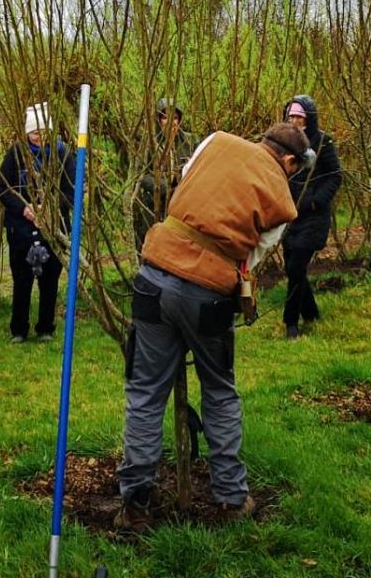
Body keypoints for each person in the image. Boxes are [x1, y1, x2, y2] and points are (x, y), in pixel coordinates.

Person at [116, 123, 311, 530]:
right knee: (219, 393)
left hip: (153, 274)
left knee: (146, 393)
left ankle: (135, 505)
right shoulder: (283, 202)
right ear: (290, 161)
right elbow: (253, 257)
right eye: (295, 168)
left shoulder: (216, 141)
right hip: (208, 295)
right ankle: (232, 499)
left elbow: (184, 184)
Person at [0, 101, 75, 344]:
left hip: (54, 226)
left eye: (43, 133)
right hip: (21, 227)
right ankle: (18, 329)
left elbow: (71, 189)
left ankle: (46, 327)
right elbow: (2, 188)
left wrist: (50, 208)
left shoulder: (62, 154)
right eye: (35, 133)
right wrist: (24, 208)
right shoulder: (15, 154)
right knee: (22, 279)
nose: (39, 137)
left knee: (50, 279)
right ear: (27, 132)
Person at [281, 96, 343, 339]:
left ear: (309, 118)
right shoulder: (285, 142)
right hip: (290, 215)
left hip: (314, 217)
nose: (295, 121)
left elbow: (335, 175)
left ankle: (291, 323)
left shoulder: (322, 142)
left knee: (296, 266)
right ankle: (311, 313)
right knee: (291, 267)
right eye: (291, 116)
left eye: (300, 116)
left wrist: (316, 200)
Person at [132, 98, 198, 251]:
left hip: (183, 204)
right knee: (150, 243)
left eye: (175, 118)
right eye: (165, 117)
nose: (171, 122)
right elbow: (140, 175)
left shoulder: (190, 141)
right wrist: (163, 187)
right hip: (155, 203)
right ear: (159, 120)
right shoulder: (149, 144)